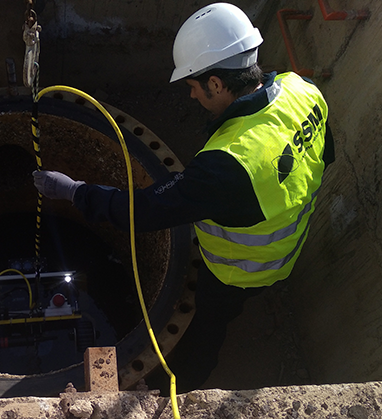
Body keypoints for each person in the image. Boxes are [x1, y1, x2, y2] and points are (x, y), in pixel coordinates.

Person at [33, 2, 334, 391]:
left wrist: (74, 192)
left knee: (208, 326)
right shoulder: (302, 89)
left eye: (193, 86)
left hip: (238, 272)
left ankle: (186, 386)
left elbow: (144, 210)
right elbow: (325, 156)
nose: (191, 96)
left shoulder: (227, 165)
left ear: (216, 83)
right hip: (286, 244)